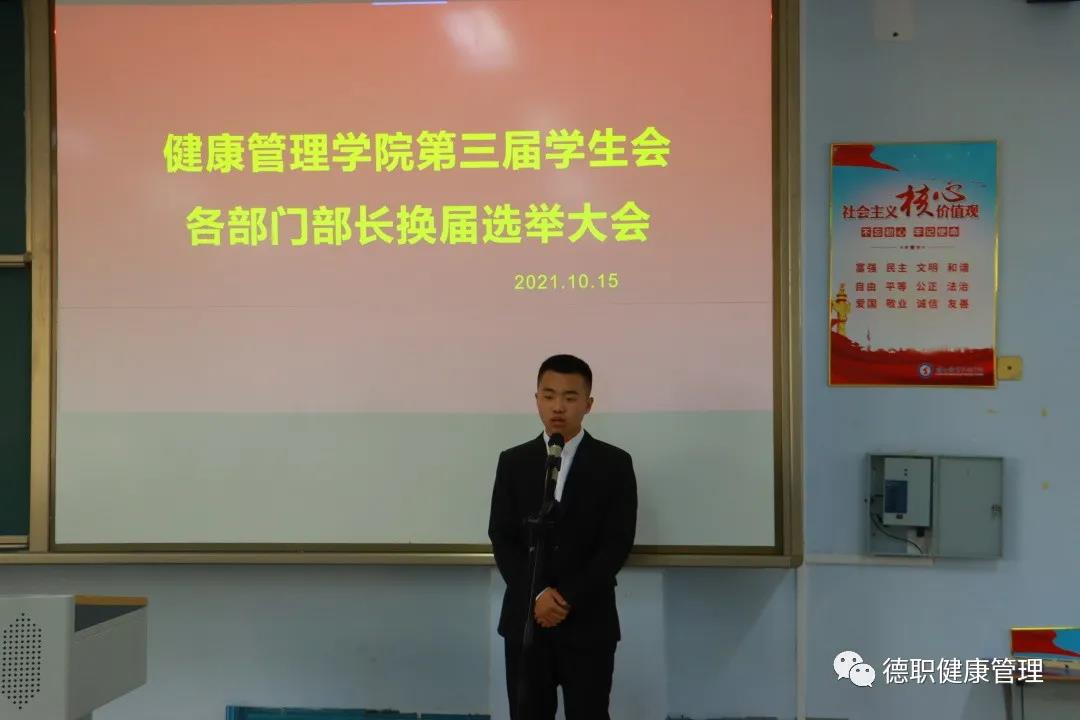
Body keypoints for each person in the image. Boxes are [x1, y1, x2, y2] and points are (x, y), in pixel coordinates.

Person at [488, 354, 638, 720]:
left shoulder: (615, 463)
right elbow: (502, 536)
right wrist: (537, 594)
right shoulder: (513, 461)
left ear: (588, 404)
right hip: (526, 622)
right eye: (549, 395)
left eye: (570, 397)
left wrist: (567, 596)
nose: (558, 406)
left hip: (589, 622)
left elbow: (616, 543)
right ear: (536, 399)